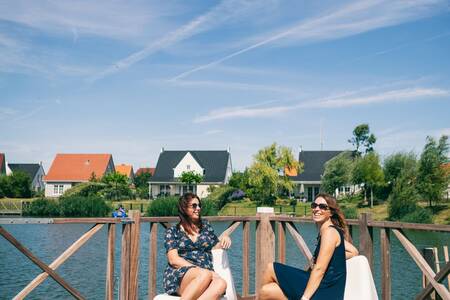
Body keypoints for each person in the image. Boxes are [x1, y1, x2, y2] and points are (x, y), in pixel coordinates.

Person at [259, 193, 359, 300]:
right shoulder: (330, 231)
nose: (316, 209)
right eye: (314, 205)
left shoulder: (329, 232)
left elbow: (319, 269)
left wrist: (305, 298)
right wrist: (333, 258)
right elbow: (353, 251)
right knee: (267, 291)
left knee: (271, 268)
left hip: (325, 292)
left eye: (322, 207)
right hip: (323, 286)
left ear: (330, 213)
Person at [163, 192, 232, 299]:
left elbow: (216, 246)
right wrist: (200, 270)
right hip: (181, 275)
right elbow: (173, 260)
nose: (198, 208)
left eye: (199, 205)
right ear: (184, 209)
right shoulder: (172, 232)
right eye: (194, 205)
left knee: (221, 283)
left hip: (206, 275)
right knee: (204, 275)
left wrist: (225, 237)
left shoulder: (206, 227)